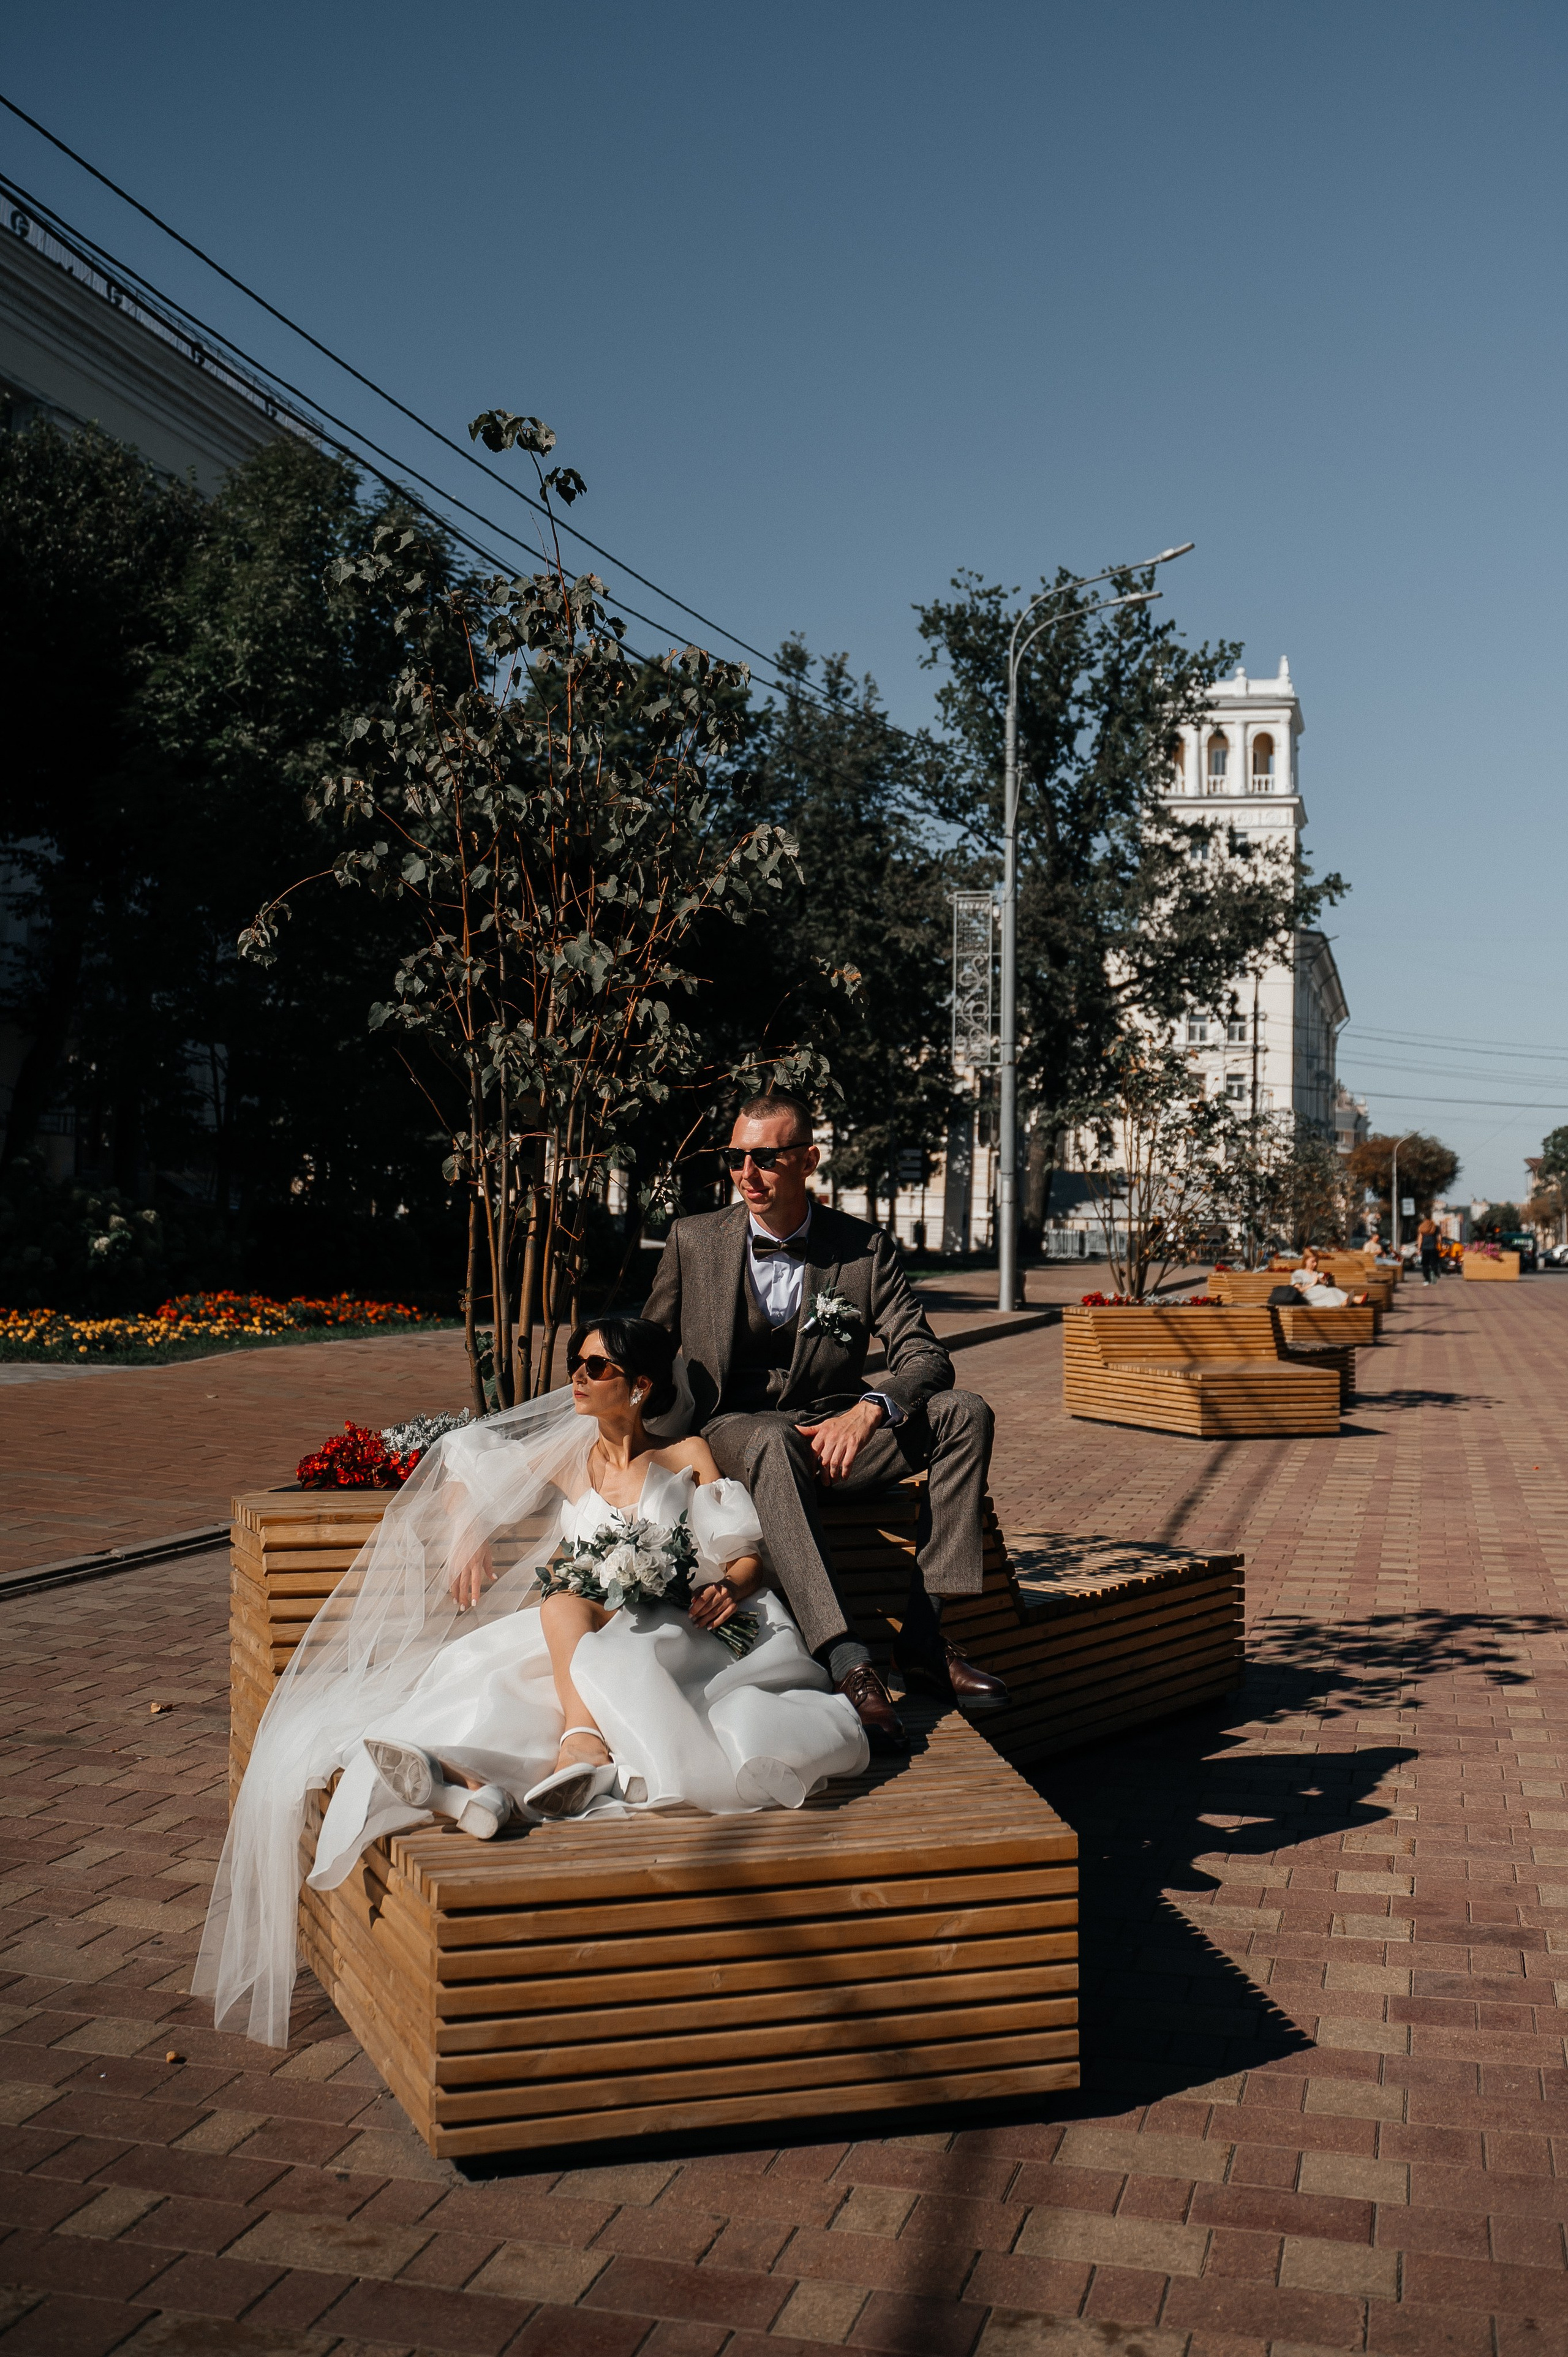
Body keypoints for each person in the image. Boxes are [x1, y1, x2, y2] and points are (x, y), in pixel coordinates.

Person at [194, 1316, 869, 2048]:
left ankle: (548, 1764)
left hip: (680, 1637)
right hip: (576, 1642)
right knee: (492, 1688)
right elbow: (464, 1449)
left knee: (566, 1625)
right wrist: (466, 1527)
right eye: (577, 1363)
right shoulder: (570, 1459)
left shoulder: (685, 1453)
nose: (575, 1378)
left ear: (639, 1386)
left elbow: (743, 1552)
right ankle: (475, 1790)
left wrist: (730, 1589)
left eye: (595, 1367)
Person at [643, 1087, 1006, 1756]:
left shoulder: (861, 1248)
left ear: (808, 1158)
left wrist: (870, 1408)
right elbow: (648, 1344)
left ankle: (924, 1638)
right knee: (774, 1438)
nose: (746, 1175)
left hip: (837, 1434)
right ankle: (847, 1660)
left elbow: (924, 1354)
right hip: (737, 1428)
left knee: (964, 1413)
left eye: (766, 1158)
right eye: (734, 1158)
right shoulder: (695, 1240)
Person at [1417, 1214, 1442, 1284]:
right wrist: (1440, 1244)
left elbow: (1420, 1239)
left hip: (1425, 1249)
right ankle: (1435, 1273)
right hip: (1434, 1248)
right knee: (1434, 1263)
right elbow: (1439, 1237)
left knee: (1425, 1265)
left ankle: (1427, 1279)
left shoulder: (1422, 1227)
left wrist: (1419, 1249)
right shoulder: (1435, 1227)